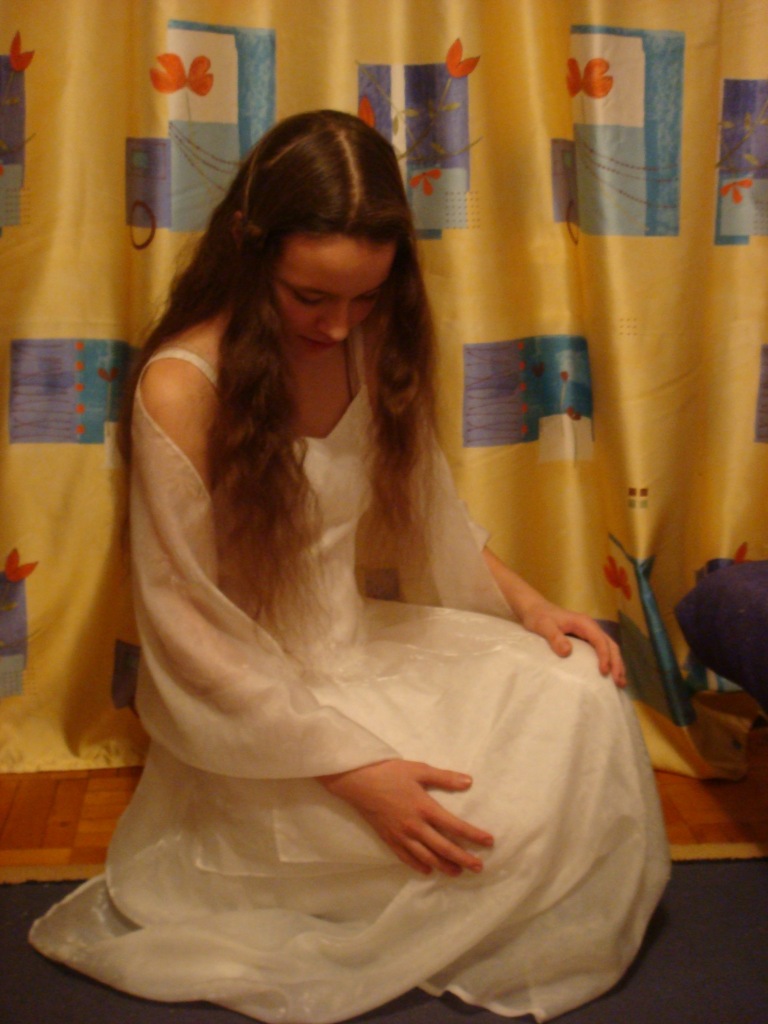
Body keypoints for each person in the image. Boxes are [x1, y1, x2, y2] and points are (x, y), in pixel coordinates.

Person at [30, 109, 669, 1023]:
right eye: (310, 298)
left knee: (580, 695)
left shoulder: (369, 344)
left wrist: (532, 608)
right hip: (257, 715)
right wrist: (356, 773)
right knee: (470, 825)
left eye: (364, 299)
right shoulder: (181, 386)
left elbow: (435, 521)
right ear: (249, 247)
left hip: (363, 651)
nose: (338, 328)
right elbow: (188, 629)